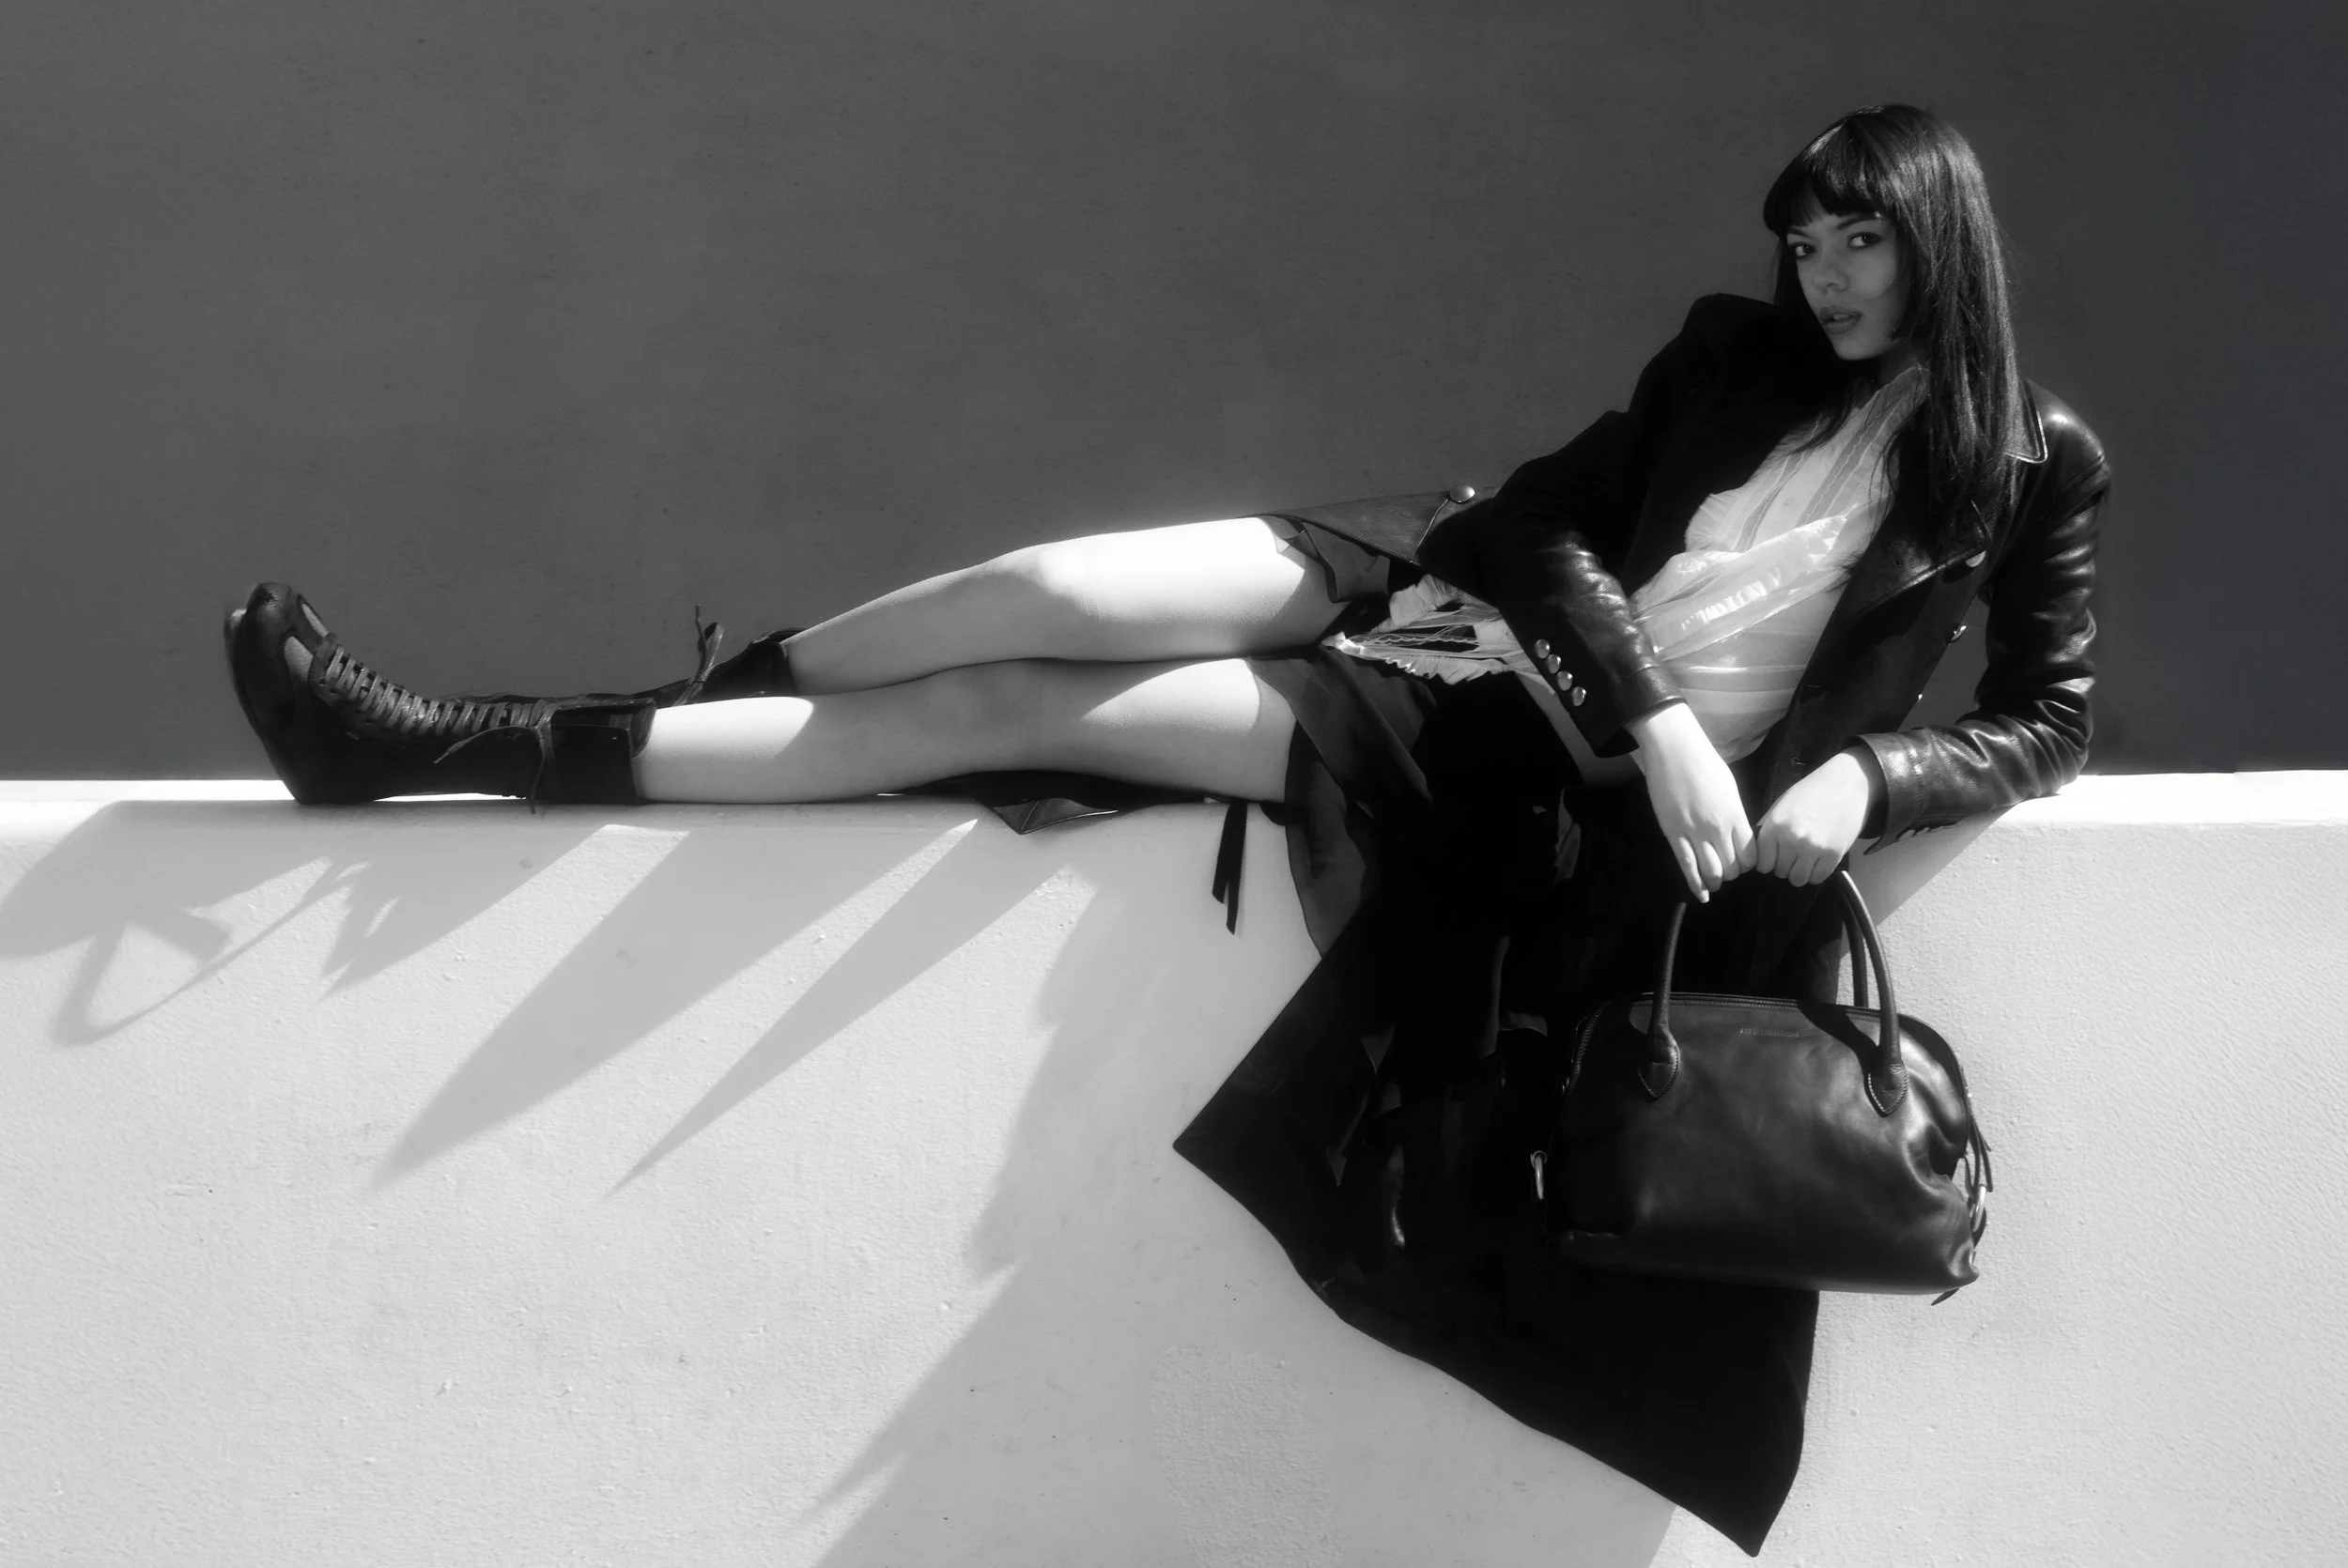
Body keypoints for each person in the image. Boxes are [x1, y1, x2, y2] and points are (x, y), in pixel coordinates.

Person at [224, 104, 2105, 1554]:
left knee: (1007, 713)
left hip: (1497, 756)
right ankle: (681, 700)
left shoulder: (2026, 461)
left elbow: (2045, 719)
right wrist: (1658, 716)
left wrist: (1864, 779)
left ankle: (440, 743)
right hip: (1452, 585)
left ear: (1933, 232)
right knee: (1033, 582)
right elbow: (1535, 524)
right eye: (1804, 234)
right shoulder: (1729, 357)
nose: (1824, 268)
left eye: (1857, 234)